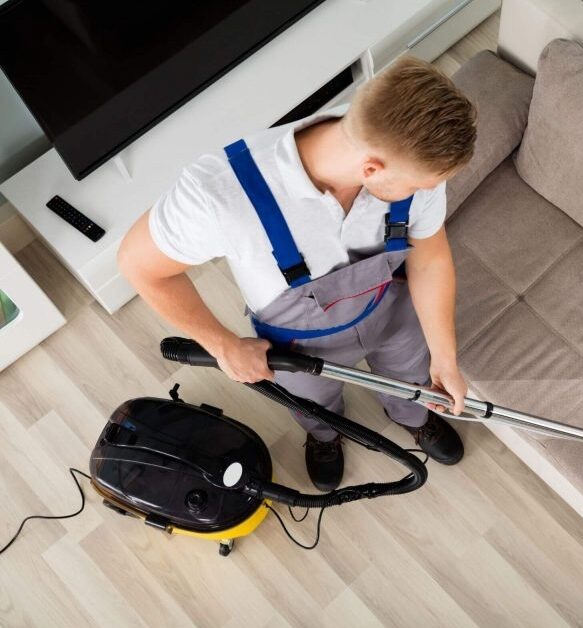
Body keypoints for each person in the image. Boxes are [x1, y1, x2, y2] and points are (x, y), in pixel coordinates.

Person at [118, 56, 477, 491]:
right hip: (299, 346)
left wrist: (445, 358)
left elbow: (430, 256)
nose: (426, 191)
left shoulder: (410, 154)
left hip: (391, 309)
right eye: (419, 186)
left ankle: (413, 418)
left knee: (411, 375)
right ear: (371, 169)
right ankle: (324, 435)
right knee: (311, 402)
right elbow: (139, 265)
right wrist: (224, 345)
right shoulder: (220, 194)